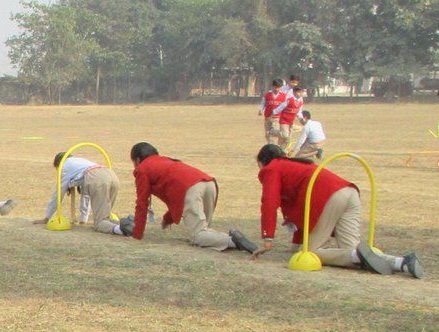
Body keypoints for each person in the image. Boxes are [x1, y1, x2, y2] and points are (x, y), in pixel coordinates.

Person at [249, 143, 422, 278]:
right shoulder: (294, 165)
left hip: (328, 197)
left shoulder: (272, 169)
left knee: (312, 252)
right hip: (349, 192)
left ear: (261, 162)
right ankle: (401, 263)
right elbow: (299, 209)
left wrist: (267, 238)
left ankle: (363, 257)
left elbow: (269, 202)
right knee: (352, 252)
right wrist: (296, 243)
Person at [114, 142, 248, 251]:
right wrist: (168, 218)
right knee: (204, 230)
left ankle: (233, 241)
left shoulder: (142, 169)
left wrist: (137, 234)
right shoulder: (166, 161)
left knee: (198, 236)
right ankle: (232, 238)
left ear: (137, 160)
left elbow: (142, 203)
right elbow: (174, 192)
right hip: (209, 183)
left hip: (192, 189)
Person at [35, 151, 117, 230]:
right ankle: (121, 225)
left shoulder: (64, 166)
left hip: (98, 179)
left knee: (100, 223)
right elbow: (85, 194)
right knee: (106, 218)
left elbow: (58, 193)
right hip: (111, 174)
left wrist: (48, 217)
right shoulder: (80, 162)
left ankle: (120, 229)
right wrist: (83, 219)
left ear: (58, 164)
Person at [278, 77, 306, 143]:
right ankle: (273, 132)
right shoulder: (282, 89)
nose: (294, 84)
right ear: (289, 81)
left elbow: (298, 110)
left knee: (287, 138)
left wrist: (301, 118)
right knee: (285, 135)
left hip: (291, 118)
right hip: (282, 115)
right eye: (293, 82)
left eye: (296, 83)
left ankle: (281, 148)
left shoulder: (299, 97)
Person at [262, 80, 290, 145]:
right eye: (275, 87)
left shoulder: (284, 96)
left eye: (278, 87)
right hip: (267, 118)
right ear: (272, 86)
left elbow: (286, 106)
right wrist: (261, 109)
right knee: (267, 136)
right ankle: (272, 146)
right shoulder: (267, 95)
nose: (277, 89)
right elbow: (263, 103)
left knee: (274, 136)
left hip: (277, 118)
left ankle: (274, 147)